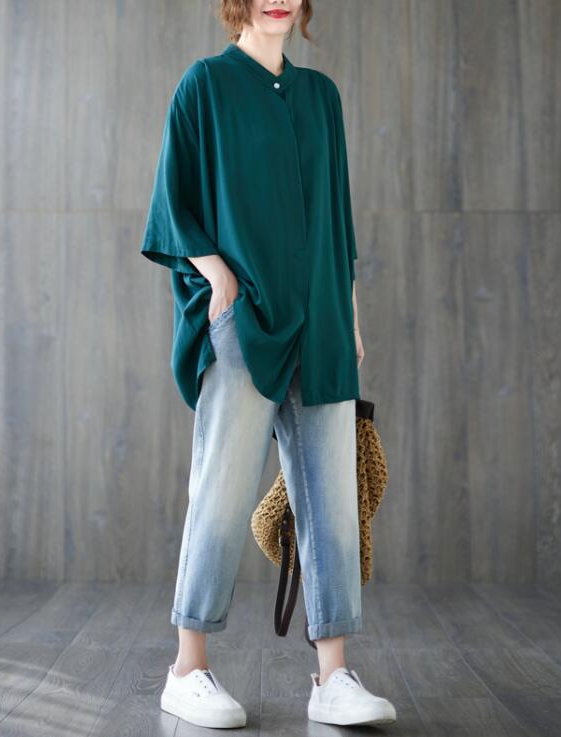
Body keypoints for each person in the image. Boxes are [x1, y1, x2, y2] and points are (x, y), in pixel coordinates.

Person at [141, 0, 397, 729]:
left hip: (322, 322)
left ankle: (334, 676)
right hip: (244, 318)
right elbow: (172, 200)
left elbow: (337, 218)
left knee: (331, 501)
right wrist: (217, 276)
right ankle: (186, 669)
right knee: (221, 492)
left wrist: (348, 314)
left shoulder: (321, 97)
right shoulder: (206, 85)